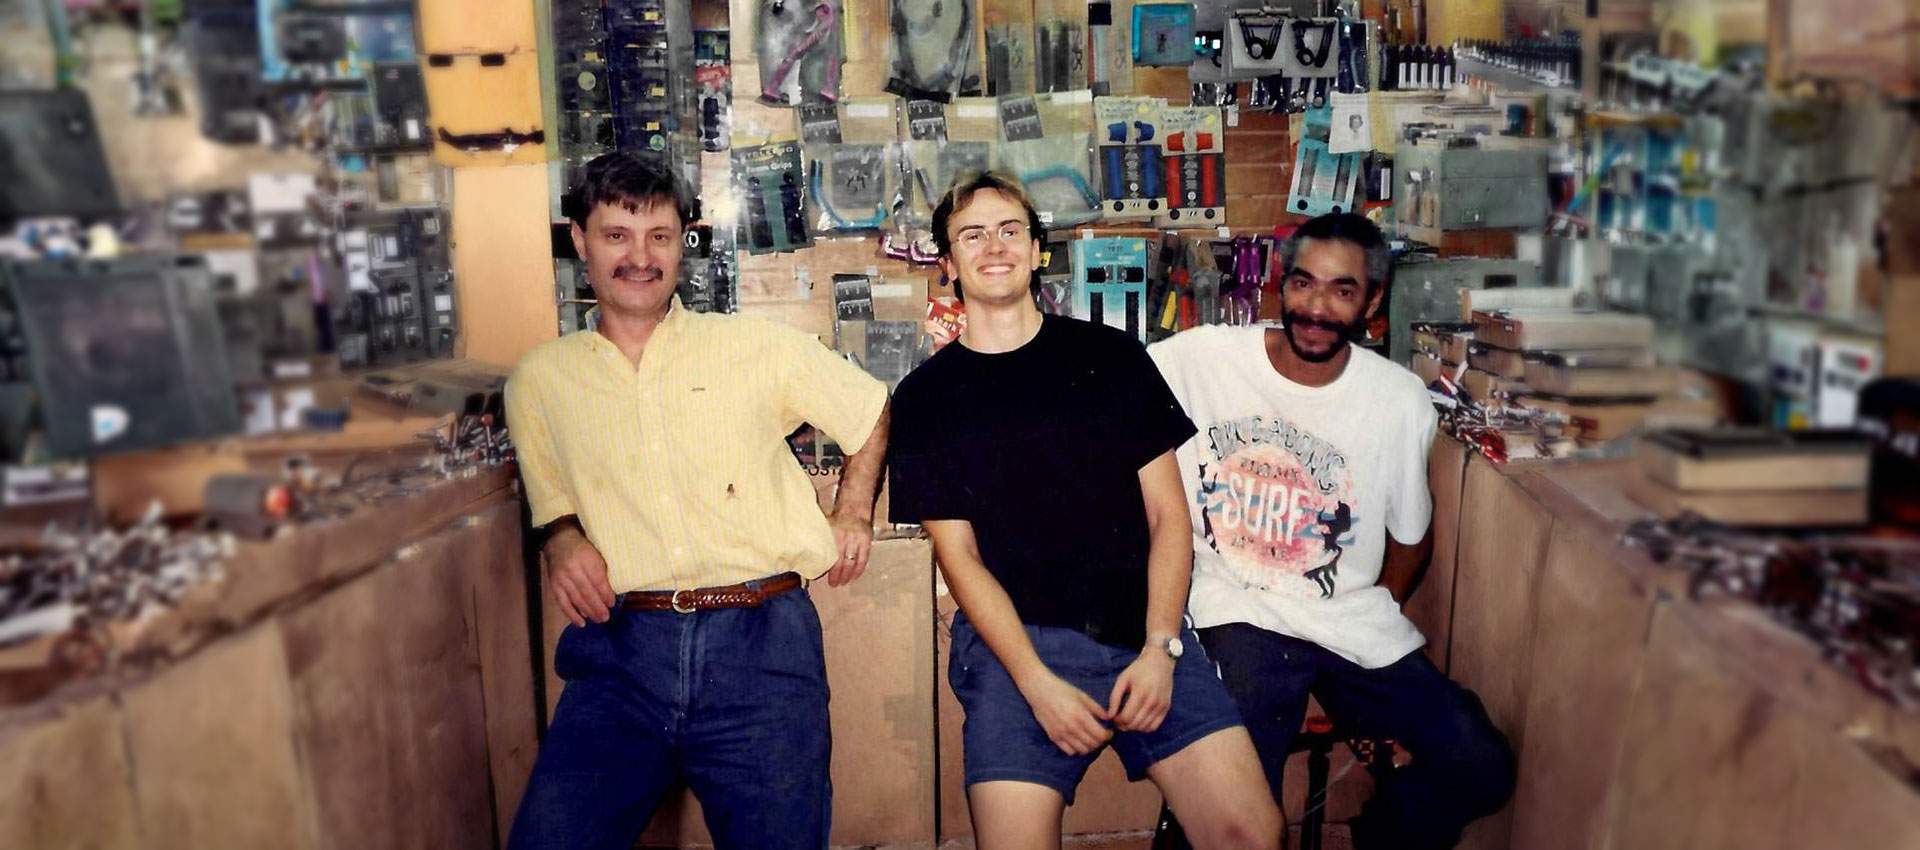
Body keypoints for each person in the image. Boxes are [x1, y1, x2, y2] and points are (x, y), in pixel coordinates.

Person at [504, 151, 890, 850]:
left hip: (762, 647)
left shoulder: (755, 346)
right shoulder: (540, 380)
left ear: (684, 240)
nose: (639, 256)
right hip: (621, 657)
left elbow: (868, 408)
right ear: (579, 240)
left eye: (658, 234)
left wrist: (854, 510)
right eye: (616, 234)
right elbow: (549, 498)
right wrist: (562, 539)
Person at [888, 173, 1280, 850]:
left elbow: (1168, 518)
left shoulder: (1112, 358)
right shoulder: (926, 399)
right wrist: (1036, 683)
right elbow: (961, 560)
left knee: (1252, 833)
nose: (994, 247)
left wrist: (1162, 647)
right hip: (1018, 653)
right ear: (948, 265)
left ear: (1040, 249)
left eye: (1011, 230)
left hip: (1142, 636)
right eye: (972, 235)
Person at [1147, 212, 1514, 849]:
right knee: (1231, 795)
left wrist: (1364, 607)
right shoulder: (1199, 358)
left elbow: (1411, 540)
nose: (1316, 308)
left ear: (1372, 303)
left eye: (1342, 291)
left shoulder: (1398, 399)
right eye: (1302, 285)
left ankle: (1382, 834)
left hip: (1347, 621)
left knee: (1478, 760)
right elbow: (1099, 390)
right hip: (1236, 608)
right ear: (1277, 287)